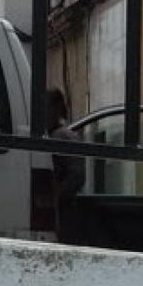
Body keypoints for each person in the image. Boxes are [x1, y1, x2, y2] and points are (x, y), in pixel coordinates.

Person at [48, 88, 85, 245]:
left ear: (56, 108)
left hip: (64, 211)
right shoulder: (53, 135)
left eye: (46, 106)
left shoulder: (62, 136)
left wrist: (55, 197)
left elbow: (77, 176)